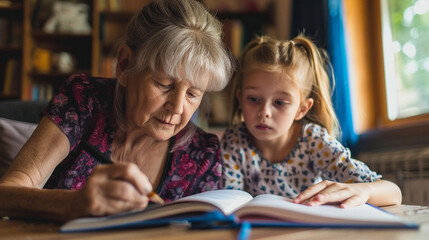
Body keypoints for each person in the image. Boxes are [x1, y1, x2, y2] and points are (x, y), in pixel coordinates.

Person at [0, 0, 234, 221]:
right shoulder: (82, 102)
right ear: (124, 65)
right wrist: (71, 204)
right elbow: (6, 194)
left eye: (193, 94)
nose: (177, 107)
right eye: (164, 85)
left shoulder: (203, 155)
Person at [220, 34, 402, 208]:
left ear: (301, 109)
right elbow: (229, 200)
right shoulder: (235, 141)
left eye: (280, 103)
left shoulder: (313, 141)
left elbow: (394, 193)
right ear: (240, 97)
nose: (264, 112)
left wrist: (366, 190)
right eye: (253, 99)